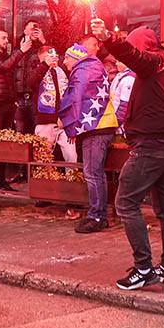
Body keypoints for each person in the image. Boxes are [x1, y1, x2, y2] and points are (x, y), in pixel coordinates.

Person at [92, 20, 164, 291]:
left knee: (125, 203)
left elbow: (133, 55)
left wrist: (108, 38)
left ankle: (144, 268)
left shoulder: (155, 62)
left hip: (151, 146)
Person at [59, 42, 119, 233]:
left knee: (93, 173)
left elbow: (75, 97)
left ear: (75, 58)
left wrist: (66, 121)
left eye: (67, 58)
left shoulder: (82, 72)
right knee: (96, 173)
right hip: (101, 126)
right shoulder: (92, 68)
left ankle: (97, 216)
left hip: (97, 129)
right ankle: (98, 213)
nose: (64, 61)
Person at [0, 27, 34, 190]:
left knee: (3, 143)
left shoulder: (5, 55)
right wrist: (21, 51)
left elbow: (9, 72)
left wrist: (13, 100)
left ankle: (1, 181)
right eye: (4, 38)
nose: (7, 41)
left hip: (7, 104)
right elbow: (4, 66)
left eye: (7, 38)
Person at [31, 45, 75, 162]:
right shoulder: (37, 70)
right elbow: (31, 82)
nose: (52, 59)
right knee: (42, 157)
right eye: (48, 57)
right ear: (41, 58)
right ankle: (41, 180)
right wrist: (46, 65)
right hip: (45, 121)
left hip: (65, 121)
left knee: (72, 156)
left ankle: (72, 179)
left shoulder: (62, 70)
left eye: (54, 56)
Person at [13, 20, 46, 134]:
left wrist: (43, 41)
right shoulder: (17, 47)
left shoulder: (41, 48)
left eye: (36, 29)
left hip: (35, 97)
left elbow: (52, 59)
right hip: (19, 97)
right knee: (19, 131)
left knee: (37, 131)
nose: (34, 32)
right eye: (32, 29)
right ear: (25, 31)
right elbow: (10, 69)